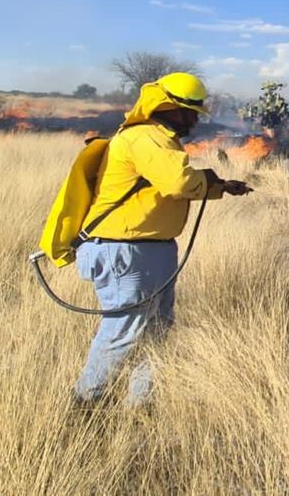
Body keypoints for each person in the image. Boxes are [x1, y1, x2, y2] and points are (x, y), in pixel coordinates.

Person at [73, 72, 251, 405]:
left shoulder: (161, 139)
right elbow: (178, 182)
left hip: (149, 250)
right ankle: (86, 405)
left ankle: (141, 404)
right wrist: (208, 181)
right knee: (123, 332)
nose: (195, 119)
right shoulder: (145, 137)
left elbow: (170, 182)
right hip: (126, 250)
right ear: (168, 107)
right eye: (190, 111)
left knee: (156, 329)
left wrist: (218, 186)